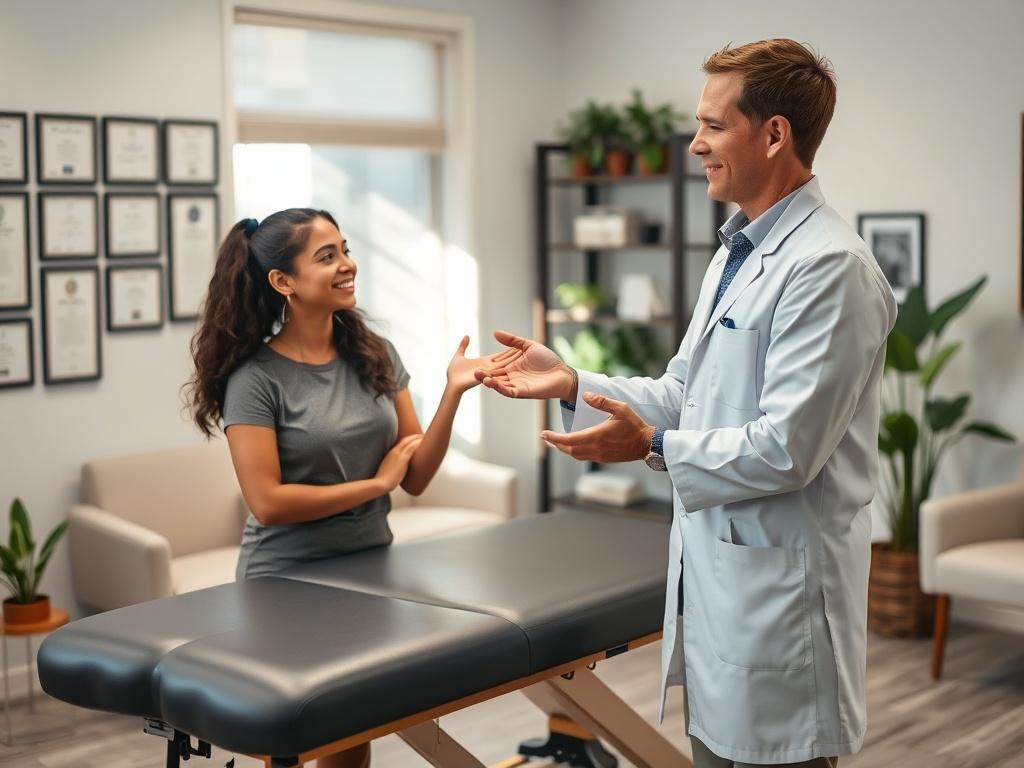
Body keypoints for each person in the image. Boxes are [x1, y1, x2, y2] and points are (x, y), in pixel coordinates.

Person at [477, 40, 897, 767]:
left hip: (784, 607)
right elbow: (683, 394)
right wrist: (574, 382)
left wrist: (649, 446)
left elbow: (786, 449)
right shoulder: (736, 252)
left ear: (774, 134)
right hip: (724, 596)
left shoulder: (828, 266)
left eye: (712, 125)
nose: (695, 143)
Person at [185, 208, 517, 768]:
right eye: (327, 256)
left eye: (345, 249)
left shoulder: (374, 354)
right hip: (285, 582)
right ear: (282, 282)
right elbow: (267, 503)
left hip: (368, 566)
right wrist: (374, 484)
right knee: (293, 743)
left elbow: (414, 475)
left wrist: (454, 392)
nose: (348, 264)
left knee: (351, 737)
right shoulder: (256, 379)